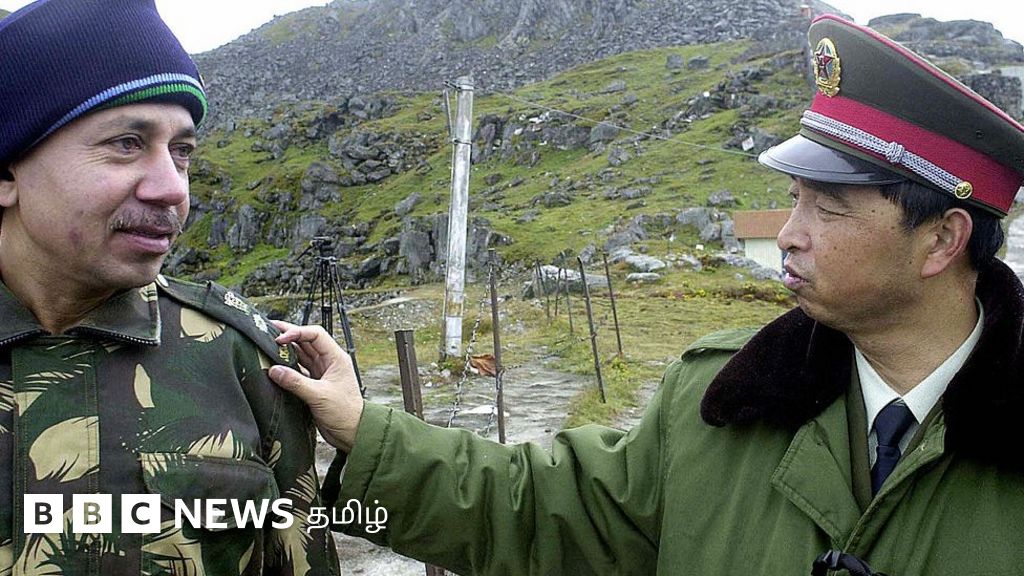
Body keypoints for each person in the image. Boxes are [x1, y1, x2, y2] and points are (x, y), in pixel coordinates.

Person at [270, 15, 1024, 575]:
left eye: (828, 208)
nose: (789, 234)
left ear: (942, 240)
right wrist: (366, 431)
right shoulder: (719, 403)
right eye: (794, 199)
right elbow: (545, 510)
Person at [0, 1, 340, 574]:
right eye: (126, 143)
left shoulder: (244, 355)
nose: (172, 189)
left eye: (181, 152)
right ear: (8, 173)